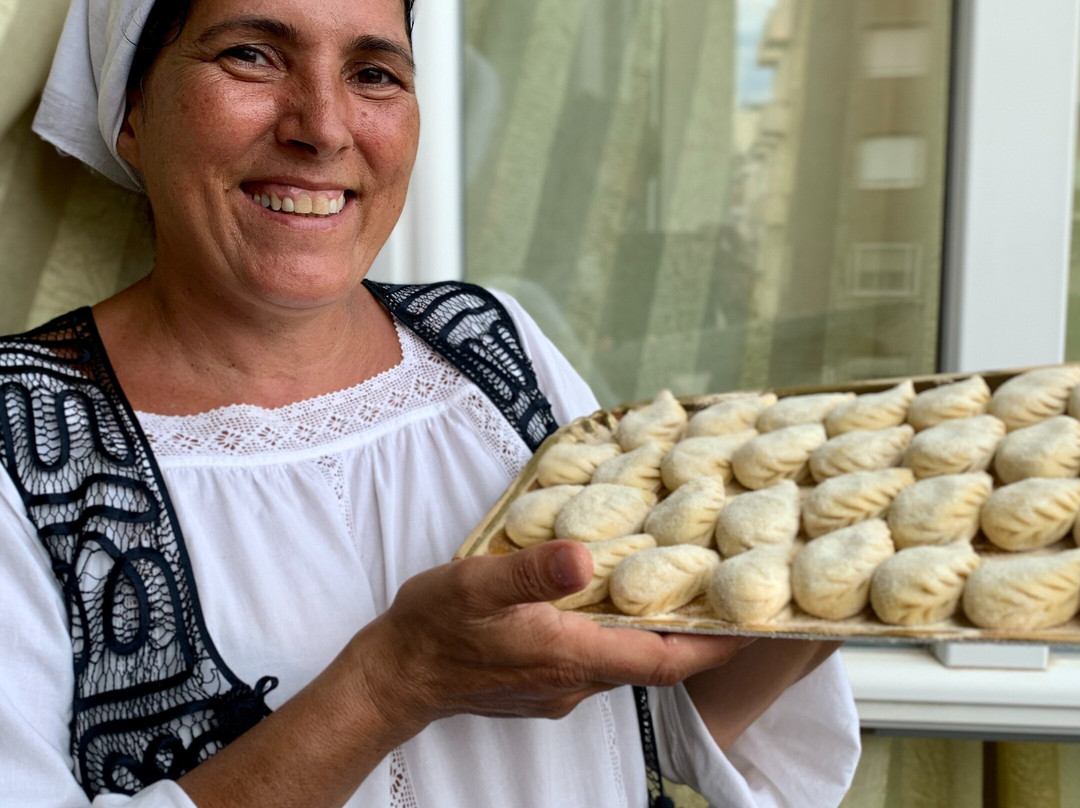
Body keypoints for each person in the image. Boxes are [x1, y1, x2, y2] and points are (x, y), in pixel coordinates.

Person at [0, 0, 861, 805]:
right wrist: (394, 681)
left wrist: (835, 578)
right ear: (133, 107)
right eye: (251, 55)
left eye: (374, 72)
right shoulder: (21, 440)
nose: (323, 127)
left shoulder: (493, 347)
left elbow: (638, 740)